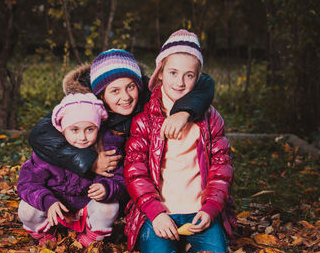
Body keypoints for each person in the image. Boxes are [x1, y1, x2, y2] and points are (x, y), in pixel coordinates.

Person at [123, 29, 237, 253]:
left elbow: (222, 168)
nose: (180, 82)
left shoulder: (211, 118)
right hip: (159, 211)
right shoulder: (145, 119)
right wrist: (155, 213)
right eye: (173, 72)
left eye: (189, 75)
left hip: (199, 211)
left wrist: (210, 209)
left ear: (199, 78)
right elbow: (135, 171)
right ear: (161, 72)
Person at [28, 49, 215, 182]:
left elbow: (203, 81)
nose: (125, 97)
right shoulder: (82, 103)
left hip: (135, 178)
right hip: (93, 181)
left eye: (130, 87)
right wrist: (88, 161)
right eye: (115, 91)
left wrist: (184, 111)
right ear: (100, 94)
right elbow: (41, 134)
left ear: (138, 85)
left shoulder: (147, 95)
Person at [17, 93, 125, 247]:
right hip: (54, 208)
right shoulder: (49, 152)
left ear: (98, 128)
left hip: (85, 209)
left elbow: (119, 180)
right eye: (74, 130)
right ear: (62, 130)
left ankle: (92, 236)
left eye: (90, 129)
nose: (82, 137)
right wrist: (47, 201)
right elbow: (26, 183)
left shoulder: (106, 151)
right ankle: (45, 232)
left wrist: (106, 187)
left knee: (109, 207)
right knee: (26, 209)